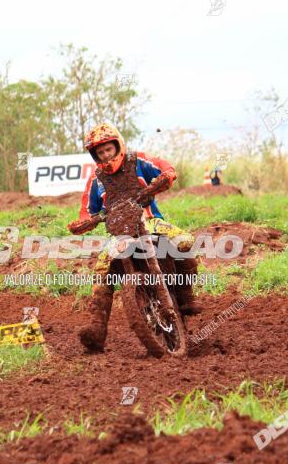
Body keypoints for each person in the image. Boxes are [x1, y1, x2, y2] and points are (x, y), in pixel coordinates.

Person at [67, 123, 201, 353]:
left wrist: (163, 179)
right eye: (100, 153)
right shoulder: (96, 179)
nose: (106, 155)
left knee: (185, 241)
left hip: (148, 221)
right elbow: (86, 211)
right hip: (119, 233)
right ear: (95, 156)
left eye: (108, 149)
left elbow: (164, 168)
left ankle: (186, 294)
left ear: (117, 145)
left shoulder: (137, 160)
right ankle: (97, 329)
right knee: (101, 272)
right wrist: (83, 223)